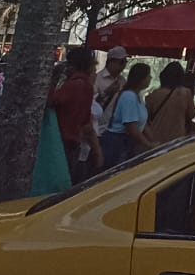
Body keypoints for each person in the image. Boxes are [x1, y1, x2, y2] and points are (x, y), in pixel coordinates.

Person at [49, 46, 102, 183]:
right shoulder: (87, 87)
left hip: (60, 139)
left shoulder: (73, 85)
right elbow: (85, 121)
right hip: (74, 140)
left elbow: (51, 101)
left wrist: (53, 80)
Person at [101, 63, 155, 167]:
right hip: (119, 143)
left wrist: (152, 140)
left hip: (128, 143)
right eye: (148, 75)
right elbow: (131, 127)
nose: (150, 78)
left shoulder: (138, 97)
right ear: (141, 78)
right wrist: (148, 144)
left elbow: (143, 125)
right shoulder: (129, 96)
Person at [145, 61, 195, 144]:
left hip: (155, 137)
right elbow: (192, 114)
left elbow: (146, 116)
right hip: (177, 138)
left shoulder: (155, 94)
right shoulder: (185, 93)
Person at [92, 47, 128, 138]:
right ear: (111, 62)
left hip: (115, 129)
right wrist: (106, 93)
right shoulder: (97, 79)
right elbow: (90, 104)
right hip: (99, 128)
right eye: (121, 62)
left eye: (125, 62)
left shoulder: (122, 80)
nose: (124, 65)